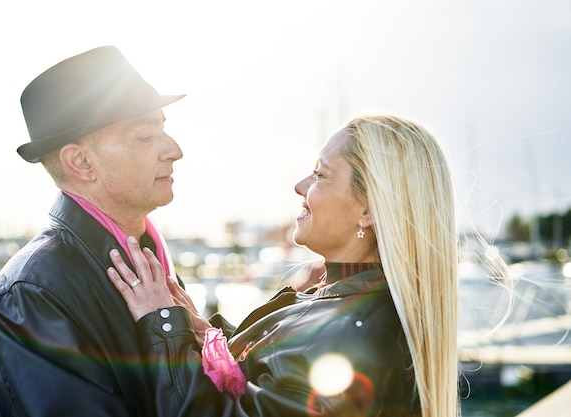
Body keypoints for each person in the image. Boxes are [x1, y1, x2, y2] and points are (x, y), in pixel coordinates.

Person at [106, 114, 459, 417]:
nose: (300, 186)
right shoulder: (344, 307)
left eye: (320, 175)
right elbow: (271, 377)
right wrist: (202, 334)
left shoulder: (350, 338)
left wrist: (164, 331)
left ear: (368, 210)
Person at [0, 45, 187, 416]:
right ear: (82, 162)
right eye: (145, 137)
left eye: (163, 129)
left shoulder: (144, 260)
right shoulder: (32, 293)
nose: (175, 150)